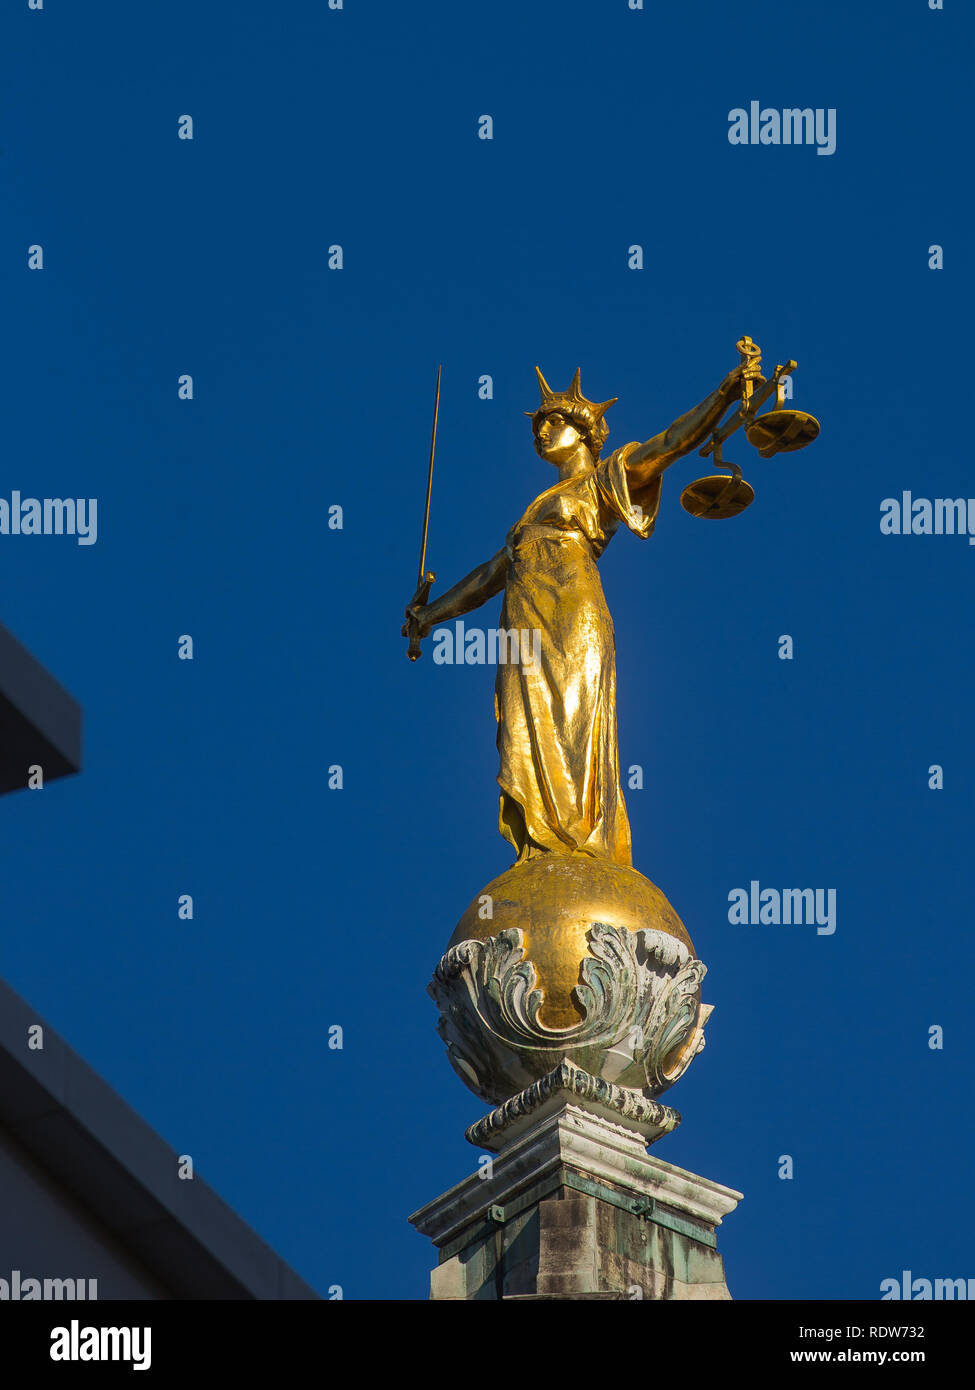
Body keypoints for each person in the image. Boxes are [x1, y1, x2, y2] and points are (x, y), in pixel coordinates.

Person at [403, 361, 756, 867]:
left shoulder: (603, 481)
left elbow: (672, 442)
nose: (542, 433)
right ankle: (541, 846)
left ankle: (581, 841)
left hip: (573, 613)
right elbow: (486, 577)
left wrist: (724, 393)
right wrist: (429, 616)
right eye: (537, 426)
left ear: (585, 434)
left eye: (553, 422)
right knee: (523, 730)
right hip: (523, 625)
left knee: (575, 719)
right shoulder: (531, 513)